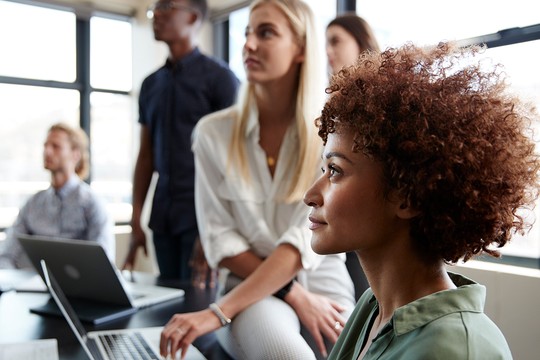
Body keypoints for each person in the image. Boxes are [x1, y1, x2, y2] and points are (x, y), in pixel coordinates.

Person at [303, 42, 539, 359]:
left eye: (335, 170)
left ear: (406, 196)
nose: (310, 195)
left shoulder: (455, 349)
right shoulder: (372, 307)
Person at [159, 0, 356, 359]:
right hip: (248, 292)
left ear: (300, 48)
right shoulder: (212, 134)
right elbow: (220, 239)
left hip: (324, 285)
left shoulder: (330, 135)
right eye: (248, 32)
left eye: (265, 33)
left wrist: (304, 295)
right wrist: (293, 295)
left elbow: (303, 238)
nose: (248, 44)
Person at [123, 0, 239, 283]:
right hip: (162, 216)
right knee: (166, 302)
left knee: (198, 307)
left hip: (201, 217)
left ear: (193, 17)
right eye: (154, 8)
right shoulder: (150, 84)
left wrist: (212, 230)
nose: (156, 14)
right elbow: (146, 156)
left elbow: (232, 161)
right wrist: (136, 219)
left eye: (167, 6)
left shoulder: (221, 79)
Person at [0, 123, 114, 269]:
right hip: (34, 285)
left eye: (56, 146)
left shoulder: (92, 204)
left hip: (79, 289)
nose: (47, 151)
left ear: (75, 154)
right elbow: (8, 252)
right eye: (46, 145)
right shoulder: (33, 203)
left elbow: (103, 263)